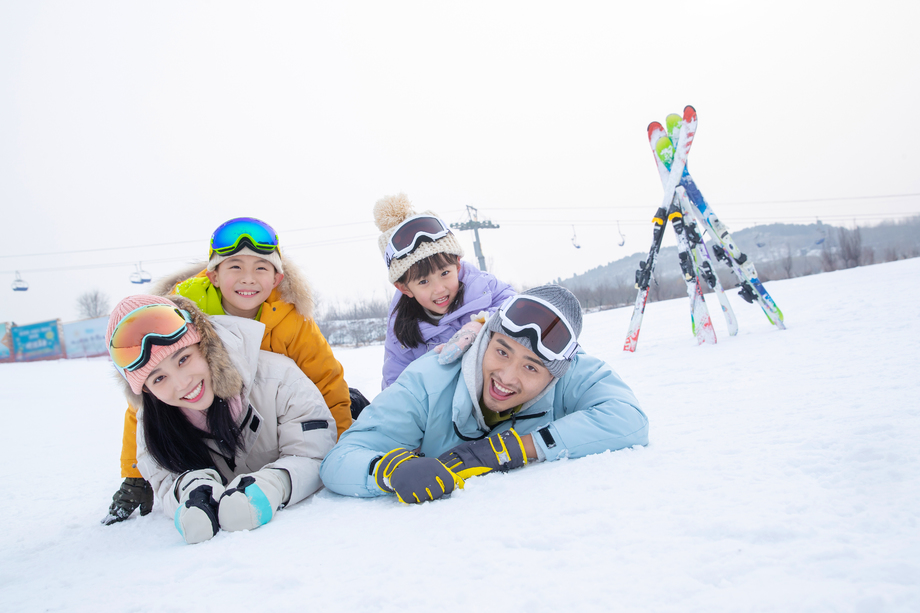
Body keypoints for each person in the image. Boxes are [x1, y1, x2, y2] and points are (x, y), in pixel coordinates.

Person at [103, 217, 362, 525]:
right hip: (218, 408)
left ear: (278, 278)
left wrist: (342, 446)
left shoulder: (292, 321)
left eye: (261, 268)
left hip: (282, 400)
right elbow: (144, 407)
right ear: (213, 275)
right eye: (235, 267)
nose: (248, 279)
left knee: (347, 400)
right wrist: (135, 474)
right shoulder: (185, 316)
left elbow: (325, 379)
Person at [319, 285, 649, 504]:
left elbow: (629, 419)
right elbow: (340, 460)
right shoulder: (426, 381)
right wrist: (389, 470)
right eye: (502, 352)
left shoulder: (569, 373)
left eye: (531, 368)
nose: (506, 378)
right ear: (486, 338)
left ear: (556, 373)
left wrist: (517, 447)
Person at [106, 294, 336, 544]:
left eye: (183, 359)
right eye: (159, 378)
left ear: (205, 346)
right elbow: (164, 482)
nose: (183, 383)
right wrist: (191, 489)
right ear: (147, 390)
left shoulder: (280, 381)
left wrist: (274, 484)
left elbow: (315, 454)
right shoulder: (152, 425)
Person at [374, 193, 516, 389]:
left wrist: (480, 324)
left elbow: (516, 307)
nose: (439, 289)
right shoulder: (400, 333)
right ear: (405, 288)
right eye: (423, 281)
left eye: (444, 273)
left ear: (457, 264)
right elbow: (396, 386)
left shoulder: (483, 287)